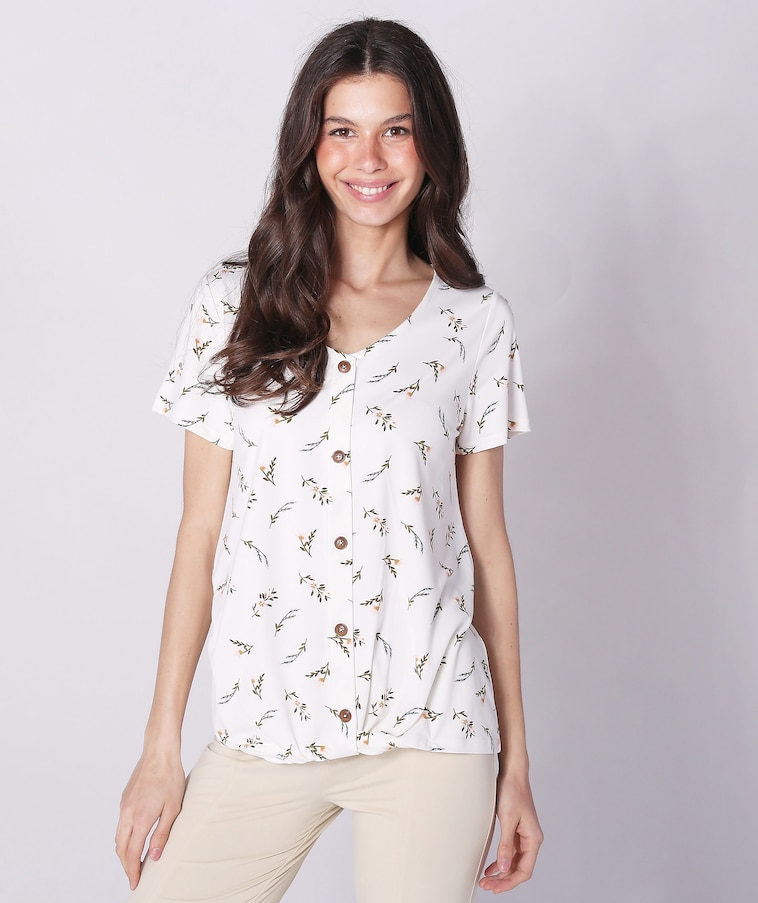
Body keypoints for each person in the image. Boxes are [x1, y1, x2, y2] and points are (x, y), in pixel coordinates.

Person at [116, 17, 543, 902]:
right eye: (342, 129)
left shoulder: (473, 324)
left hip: (431, 726)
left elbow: (488, 546)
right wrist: (161, 746)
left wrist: (516, 766)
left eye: (396, 129)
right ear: (309, 145)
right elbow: (198, 534)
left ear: (431, 145)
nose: (368, 159)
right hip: (268, 719)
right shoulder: (231, 305)